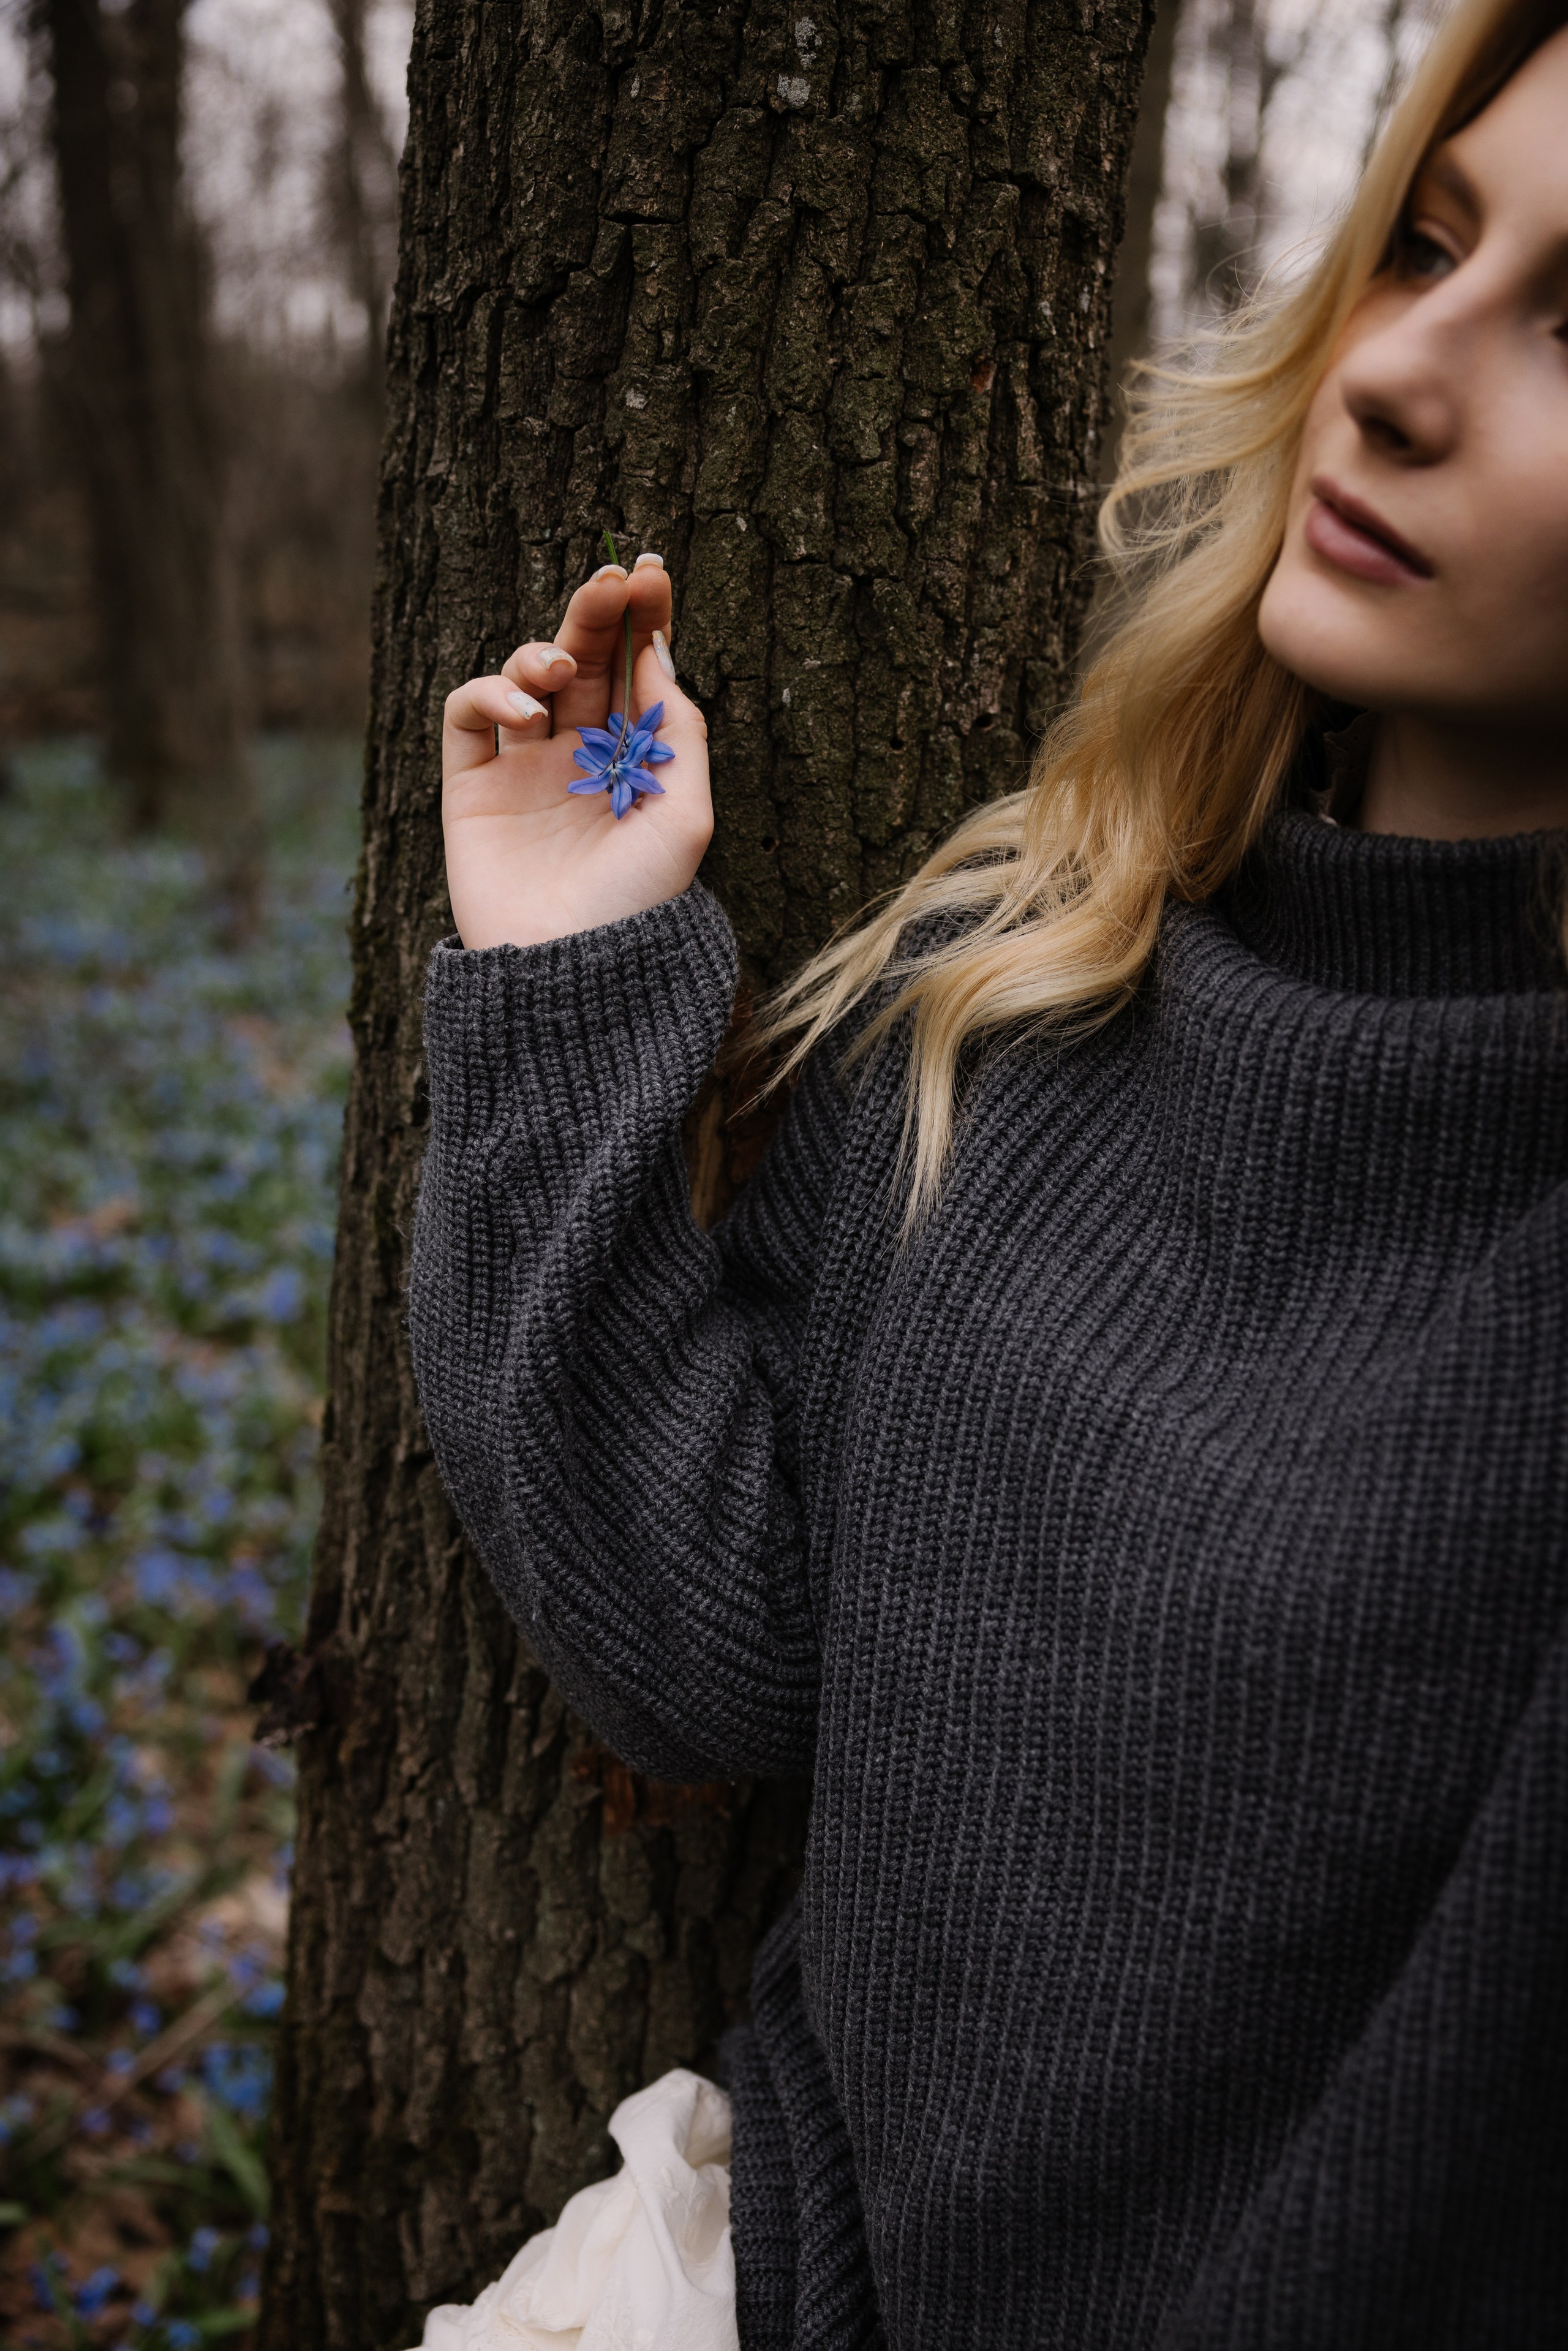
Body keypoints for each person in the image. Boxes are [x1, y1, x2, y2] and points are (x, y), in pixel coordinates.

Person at [407, 0, 1568, 2339]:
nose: (1399, 374)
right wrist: (568, 973)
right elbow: (707, 1643)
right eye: (1422, 244)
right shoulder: (1033, 960)